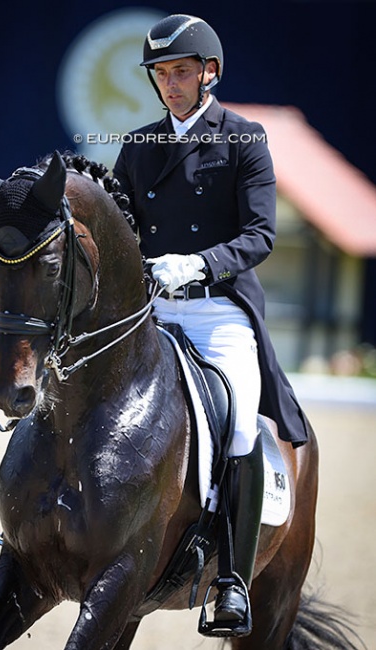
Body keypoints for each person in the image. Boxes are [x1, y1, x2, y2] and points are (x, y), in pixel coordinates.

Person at [113, 13, 310, 636]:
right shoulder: (139, 145)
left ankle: (232, 579)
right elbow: (120, 230)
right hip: (149, 313)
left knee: (239, 430)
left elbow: (261, 235)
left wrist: (198, 263)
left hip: (217, 312)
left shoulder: (244, 139)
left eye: (180, 72)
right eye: (161, 74)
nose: (169, 85)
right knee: (74, 394)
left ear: (209, 73)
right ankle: (27, 540)